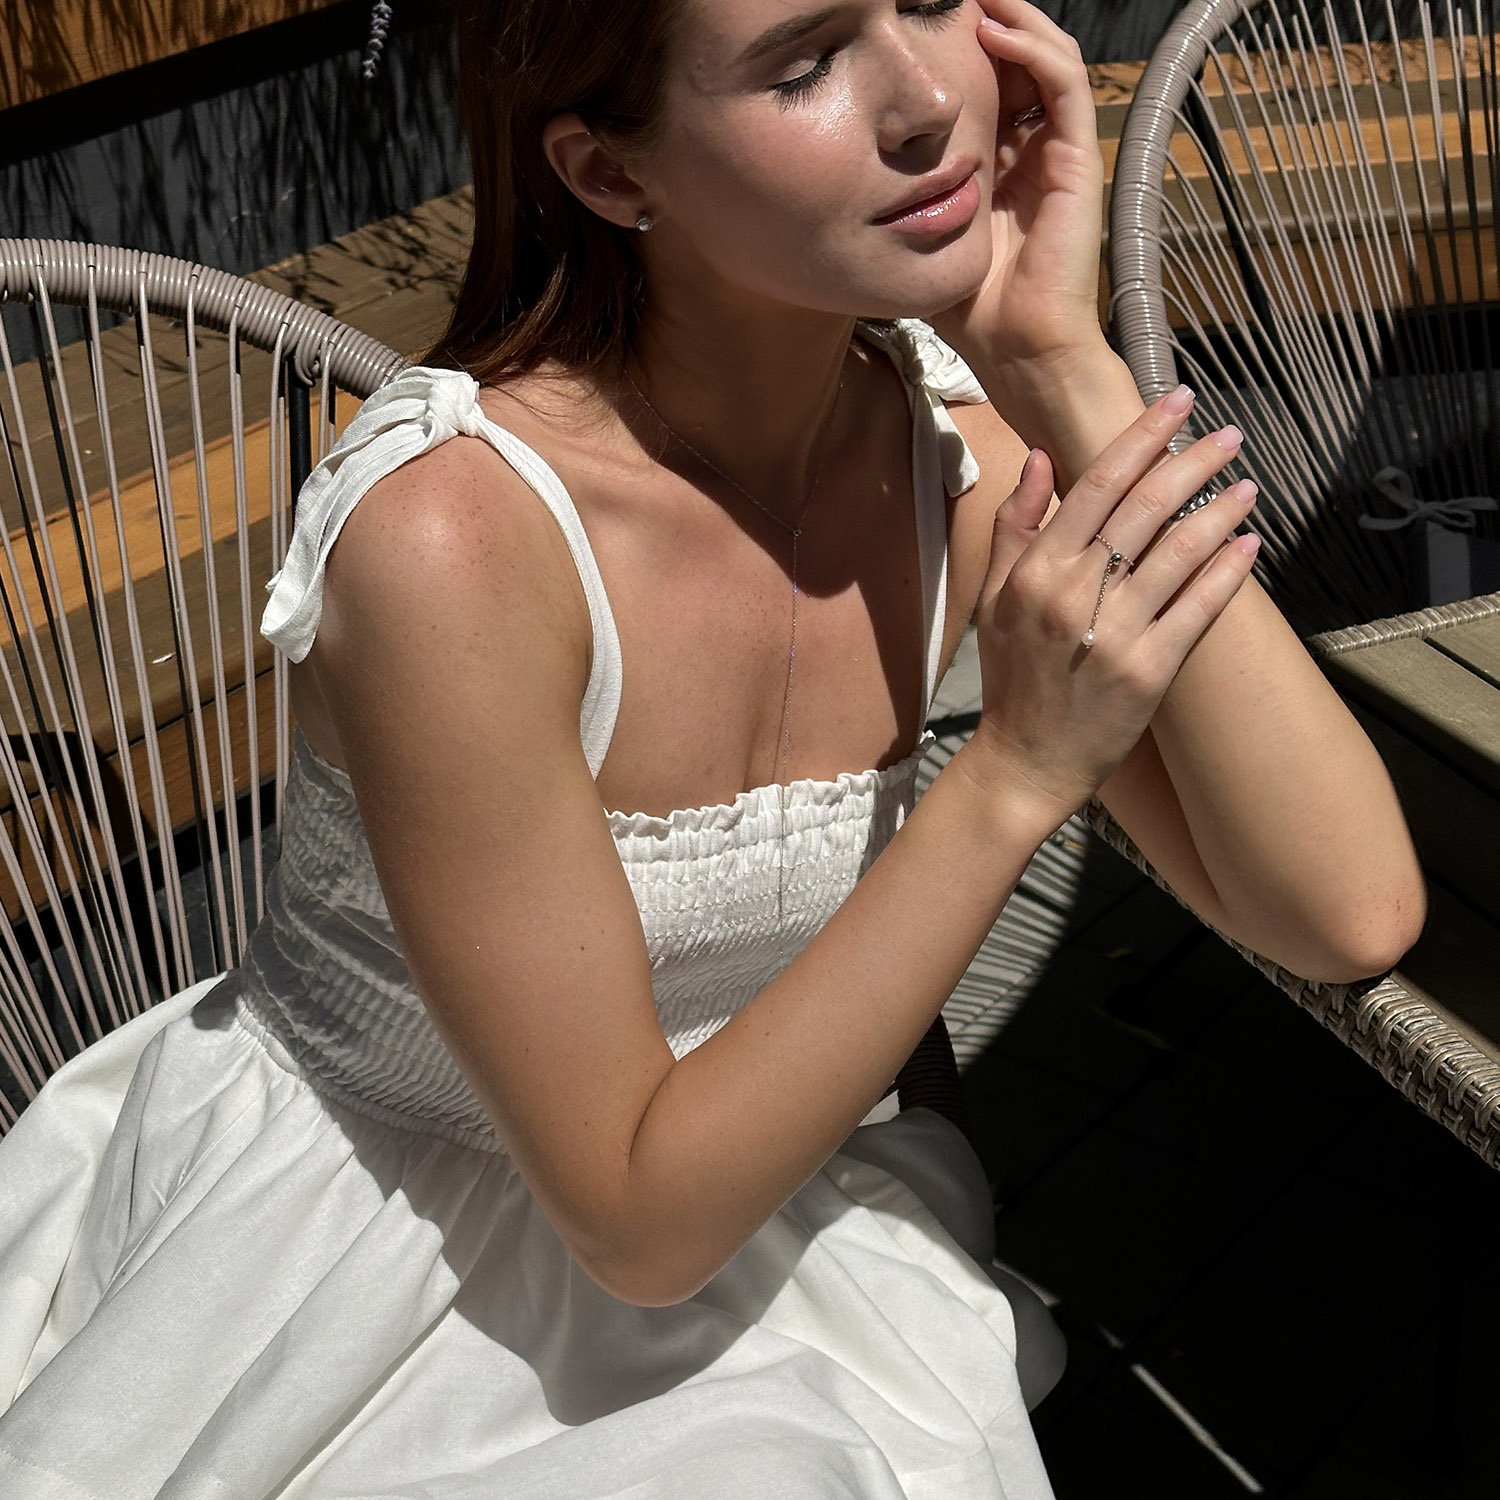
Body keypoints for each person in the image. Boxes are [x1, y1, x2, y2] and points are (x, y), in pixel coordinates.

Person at [0, 0, 1425, 1494]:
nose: (927, 101)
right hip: (356, 1266)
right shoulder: (456, 541)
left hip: (763, 1185)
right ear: (613, 174)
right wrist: (1011, 778)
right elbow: (633, 1222)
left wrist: (1063, 358)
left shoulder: (950, 443)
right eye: (804, 65)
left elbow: (1344, 908)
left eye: (927, 0)